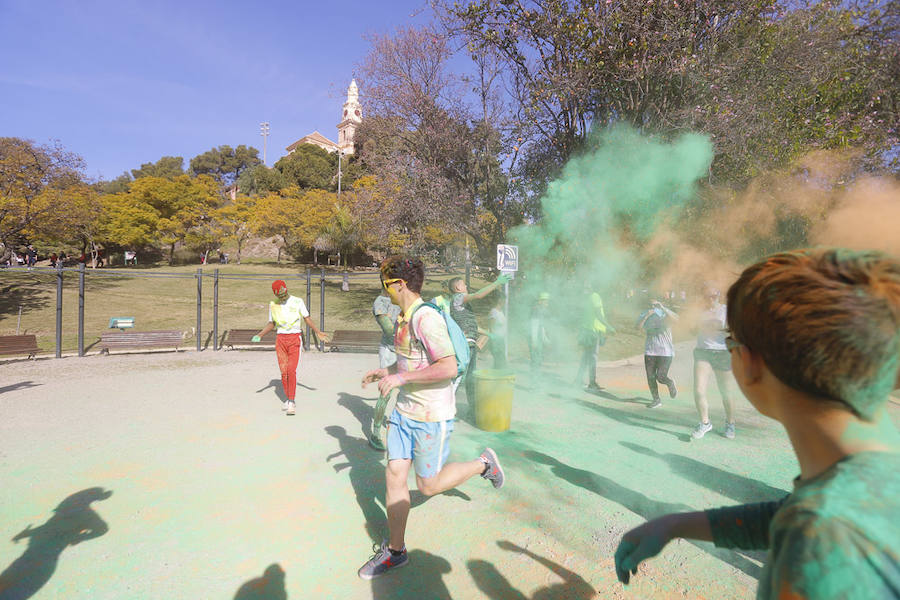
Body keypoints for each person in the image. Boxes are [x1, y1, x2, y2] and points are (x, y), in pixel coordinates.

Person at [614, 248, 900, 599]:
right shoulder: (864, 478)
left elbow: (809, 524)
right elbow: (789, 515)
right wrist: (676, 524)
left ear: (748, 363)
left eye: (731, 340)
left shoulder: (819, 549)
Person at [358, 256, 506, 580]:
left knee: (427, 486)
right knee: (394, 476)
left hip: (430, 417)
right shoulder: (402, 317)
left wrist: (400, 380)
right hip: (404, 412)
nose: (383, 290)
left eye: (385, 284)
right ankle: (396, 552)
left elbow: (448, 367)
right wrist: (386, 371)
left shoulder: (426, 319)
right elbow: (411, 364)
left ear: (399, 285)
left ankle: (484, 464)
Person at [251, 280, 330, 415]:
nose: (282, 297)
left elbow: (307, 318)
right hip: (280, 340)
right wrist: (260, 334)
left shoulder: (297, 301)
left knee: (291, 370)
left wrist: (317, 331)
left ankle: (291, 401)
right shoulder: (274, 305)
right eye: (279, 296)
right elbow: (272, 324)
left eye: (284, 294)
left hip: (294, 339)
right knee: (283, 372)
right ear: (276, 294)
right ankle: (288, 399)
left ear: (286, 290)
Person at [447, 273, 510, 401]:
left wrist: (489, 335)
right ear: (458, 288)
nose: (466, 285)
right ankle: (446, 406)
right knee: (461, 377)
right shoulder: (458, 298)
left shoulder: (462, 304)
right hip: (464, 344)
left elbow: (473, 326)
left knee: (471, 377)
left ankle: (472, 409)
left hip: (470, 343)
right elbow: (478, 295)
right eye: (464, 284)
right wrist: (497, 283)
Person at [690, 285, 736, 439]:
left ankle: (730, 423)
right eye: (707, 296)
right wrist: (695, 325)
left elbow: (735, 330)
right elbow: (691, 330)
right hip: (703, 352)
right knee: (699, 390)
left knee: (726, 393)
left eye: (713, 296)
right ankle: (704, 423)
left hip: (722, 352)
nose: (710, 299)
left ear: (718, 295)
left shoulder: (726, 310)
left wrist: (721, 327)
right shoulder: (699, 311)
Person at [370, 288, 402, 450]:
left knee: (408, 390)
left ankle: (400, 424)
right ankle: (375, 433)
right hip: (390, 350)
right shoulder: (380, 303)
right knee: (386, 392)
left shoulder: (403, 294)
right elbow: (389, 330)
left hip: (405, 350)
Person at [636, 298, 678, 407]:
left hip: (665, 352)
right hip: (650, 351)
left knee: (661, 377)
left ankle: (670, 383)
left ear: (661, 304)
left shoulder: (666, 314)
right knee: (650, 376)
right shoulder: (645, 314)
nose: (653, 307)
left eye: (656, 305)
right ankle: (656, 399)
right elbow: (637, 327)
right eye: (651, 305)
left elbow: (676, 320)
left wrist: (663, 308)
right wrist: (646, 316)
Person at [576, 287, 614, 391]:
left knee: (585, 357)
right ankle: (592, 383)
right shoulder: (595, 296)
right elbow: (598, 314)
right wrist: (609, 326)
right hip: (592, 332)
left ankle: (578, 380)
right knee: (592, 358)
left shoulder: (589, 297)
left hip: (587, 330)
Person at [529, 292, 551, 369]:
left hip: (538, 336)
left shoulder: (541, 310)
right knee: (535, 358)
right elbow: (534, 326)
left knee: (538, 358)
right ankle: (535, 378)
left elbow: (541, 326)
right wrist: (534, 341)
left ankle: (537, 376)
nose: (547, 303)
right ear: (540, 301)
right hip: (535, 337)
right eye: (546, 301)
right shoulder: (536, 310)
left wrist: (545, 339)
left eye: (548, 301)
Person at [487, 294, 507, 369]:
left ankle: (498, 376)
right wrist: (493, 339)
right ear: (499, 300)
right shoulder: (494, 312)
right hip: (496, 340)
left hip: (500, 339)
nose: (505, 301)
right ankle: (496, 377)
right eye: (504, 299)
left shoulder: (501, 312)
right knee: (499, 360)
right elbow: (490, 327)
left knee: (500, 360)